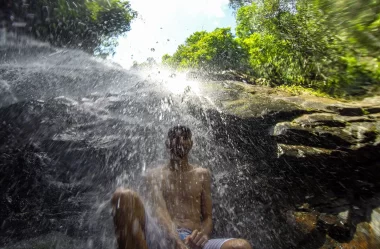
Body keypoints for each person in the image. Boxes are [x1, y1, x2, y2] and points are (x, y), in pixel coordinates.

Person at [111, 125, 252, 249]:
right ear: (167, 143)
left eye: (185, 137)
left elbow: (208, 217)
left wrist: (202, 235)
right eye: (174, 137)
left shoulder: (202, 174)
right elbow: (159, 210)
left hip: (192, 240)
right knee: (123, 197)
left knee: (241, 246)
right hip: (162, 237)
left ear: (191, 143)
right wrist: (176, 240)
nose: (180, 141)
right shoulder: (155, 175)